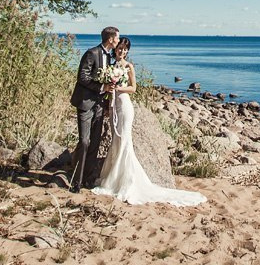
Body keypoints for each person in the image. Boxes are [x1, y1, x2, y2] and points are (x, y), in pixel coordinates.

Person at [92, 37, 206, 206]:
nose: (122, 51)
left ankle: (126, 181)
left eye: (125, 49)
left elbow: (133, 88)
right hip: (114, 105)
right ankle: (112, 179)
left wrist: (118, 87)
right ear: (115, 49)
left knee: (124, 141)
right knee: (116, 141)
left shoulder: (128, 66)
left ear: (128, 51)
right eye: (120, 48)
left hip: (125, 105)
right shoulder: (110, 66)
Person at [69, 26, 118, 192]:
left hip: (98, 104)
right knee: (84, 141)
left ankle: (88, 180)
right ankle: (76, 181)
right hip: (85, 103)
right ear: (111, 39)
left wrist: (105, 99)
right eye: (117, 38)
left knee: (95, 143)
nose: (118, 41)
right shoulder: (92, 53)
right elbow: (82, 77)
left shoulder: (110, 57)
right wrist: (101, 86)